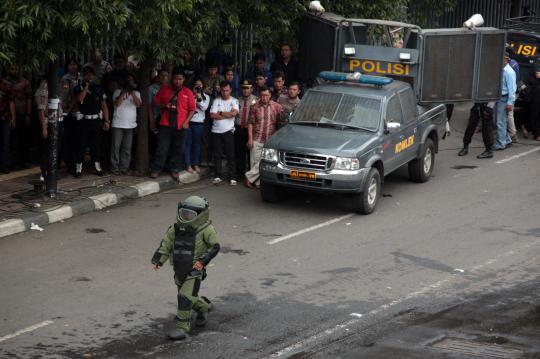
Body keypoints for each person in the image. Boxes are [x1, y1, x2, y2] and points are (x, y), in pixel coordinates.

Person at [151, 196, 220, 341]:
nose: (186, 217)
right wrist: (159, 260)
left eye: (190, 215)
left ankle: (182, 328)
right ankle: (204, 308)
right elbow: (166, 244)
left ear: (201, 214)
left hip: (194, 270)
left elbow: (215, 247)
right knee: (188, 297)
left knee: (184, 297)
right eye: (184, 213)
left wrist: (202, 262)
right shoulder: (175, 228)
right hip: (179, 268)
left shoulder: (206, 229)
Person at [151, 72, 196, 180]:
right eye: (176, 78)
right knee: (162, 148)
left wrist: (186, 122)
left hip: (181, 125)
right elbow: (155, 101)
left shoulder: (188, 92)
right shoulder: (165, 89)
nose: (178, 81)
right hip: (165, 123)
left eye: (180, 79)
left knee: (178, 149)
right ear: (173, 79)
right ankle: (156, 169)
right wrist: (164, 106)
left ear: (183, 79)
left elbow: (192, 109)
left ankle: (174, 169)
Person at [73, 66, 110, 177]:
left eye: (91, 74)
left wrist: (106, 120)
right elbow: (79, 99)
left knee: (96, 145)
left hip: (96, 120)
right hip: (84, 120)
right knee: (81, 145)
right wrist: (86, 87)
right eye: (86, 74)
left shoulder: (98, 88)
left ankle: (97, 167)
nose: (89, 76)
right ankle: (78, 168)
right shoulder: (78, 87)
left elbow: (104, 105)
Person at [245, 86, 283, 188]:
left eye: (266, 95)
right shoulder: (254, 107)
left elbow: (281, 122)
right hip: (257, 138)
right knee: (255, 162)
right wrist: (250, 138)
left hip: (270, 140)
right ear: (259, 96)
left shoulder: (277, 107)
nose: (264, 97)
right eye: (262, 95)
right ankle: (257, 184)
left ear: (270, 95)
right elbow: (250, 123)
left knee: (264, 163)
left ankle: (248, 178)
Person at [110, 74, 141, 175]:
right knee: (116, 147)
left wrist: (131, 92)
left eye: (131, 81)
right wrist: (124, 92)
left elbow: (138, 104)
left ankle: (124, 168)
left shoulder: (136, 92)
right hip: (118, 123)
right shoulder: (117, 92)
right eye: (128, 81)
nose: (130, 83)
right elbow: (117, 103)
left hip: (130, 124)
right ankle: (114, 168)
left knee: (127, 148)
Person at [209, 81, 239, 185]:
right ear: (220, 90)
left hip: (228, 131)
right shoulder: (216, 100)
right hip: (216, 131)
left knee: (230, 155)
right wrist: (227, 114)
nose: (225, 92)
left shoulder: (234, 101)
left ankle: (232, 177)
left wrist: (220, 113)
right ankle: (218, 175)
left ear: (230, 90)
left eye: (227, 90)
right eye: (223, 90)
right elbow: (212, 115)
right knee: (217, 155)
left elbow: (234, 113)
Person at [35, 76, 64, 181]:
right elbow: (41, 110)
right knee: (47, 149)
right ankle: (44, 172)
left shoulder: (56, 88)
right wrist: (44, 128)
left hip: (58, 121)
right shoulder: (43, 89)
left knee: (56, 148)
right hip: (48, 123)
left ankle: (52, 171)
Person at [4, 64, 32, 169]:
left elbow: (29, 98)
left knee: (23, 139)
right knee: (11, 140)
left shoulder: (25, 82)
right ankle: (13, 163)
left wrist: (28, 114)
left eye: (16, 68)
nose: (14, 71)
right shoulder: (4, 82)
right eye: (12, 68)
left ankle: (24, 161)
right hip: (7, 114)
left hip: (22, 113)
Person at [60, 58, 82, 172]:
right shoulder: (65, 79)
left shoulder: (81, 78)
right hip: (69, 112)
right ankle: (67, 161)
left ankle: (76, 162)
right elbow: (63, 96)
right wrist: (65, 109)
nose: (73, 66)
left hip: (80, 112)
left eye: (75, 64)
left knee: (78, 139)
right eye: (71, 64)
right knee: (68, 138)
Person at [184, 79, 209, 173]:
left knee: (197, 145)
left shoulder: (206, 97)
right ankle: (188, 164)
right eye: (196, 85)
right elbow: (187, 106)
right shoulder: (189, 95)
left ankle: (195, 164)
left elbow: (204, 107)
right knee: (187, 144)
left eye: (200, 85)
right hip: (189, 122)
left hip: (199, 124)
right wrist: (193, 95)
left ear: (203, 86)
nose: (198, 86)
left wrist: (198, 98)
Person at [235, 80, 257, 181]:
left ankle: (250, 176)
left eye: (247, 88)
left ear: (251, 89)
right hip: (239, 128)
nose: (245, 90)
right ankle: (240, 175)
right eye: (243, 88)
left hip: (250, 129)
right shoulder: (236, 100)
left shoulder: (256, 100)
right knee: (239, 153)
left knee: (250, 154)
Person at [493, 53, 516, 151]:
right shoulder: (500, 69)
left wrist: (510, 103)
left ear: (506, 60)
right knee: (496, 121)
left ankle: (501, 144)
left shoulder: (509, 72)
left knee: (500, 122)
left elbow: (512, 89)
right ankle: (506, 139)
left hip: (504, 98)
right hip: (498, 98)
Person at [0, 74, 16, 173]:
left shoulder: (5, 85)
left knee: (5, 143)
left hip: (4, 118)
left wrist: (13, 118)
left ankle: (5, 167)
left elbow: (11, 102)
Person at [525, 65, 540, 141]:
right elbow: (536, 76)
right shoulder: (532, 79)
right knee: (535, 116)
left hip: (537, 98)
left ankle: (527, 128)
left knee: (536, 116)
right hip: (534, 99)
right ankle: (536, 134)